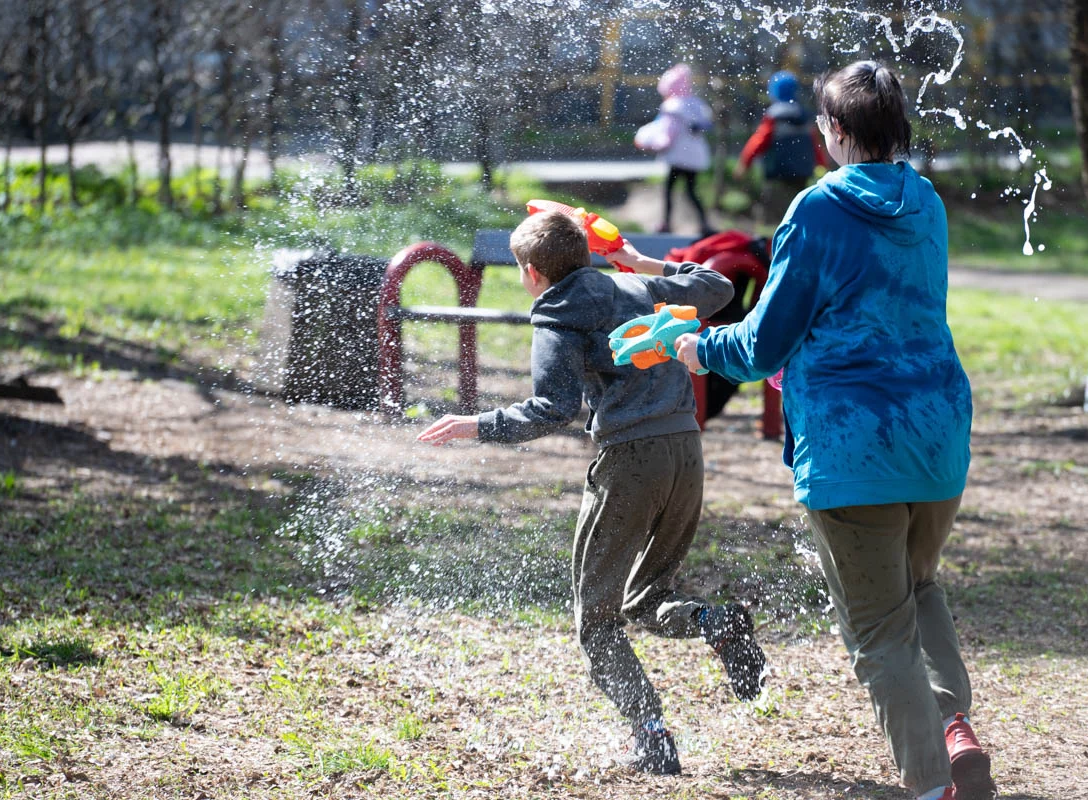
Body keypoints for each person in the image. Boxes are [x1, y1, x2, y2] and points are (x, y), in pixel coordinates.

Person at [674, 60, 997, 800]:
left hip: (857, 450)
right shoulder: (927, 201)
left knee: (880, 634)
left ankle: (931, 786)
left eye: (823, 124)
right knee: (917, 587)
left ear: (838, 132)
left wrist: (698, 348)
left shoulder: (818, 208)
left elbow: (762, 345)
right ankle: (953, 727)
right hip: (939, 436)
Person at [417, 210, 764, 776]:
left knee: (596, 622)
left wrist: (473, 424)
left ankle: (650, 734)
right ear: (585, 255)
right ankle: (714, 623)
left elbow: (551, 408)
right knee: (646, 600)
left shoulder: (558, 309)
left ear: (531, 272)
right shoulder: (635, 284)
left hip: (630, 463)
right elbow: (720, 286)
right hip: (686, 451)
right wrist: (638, 261)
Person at [734, 70, 829, 225]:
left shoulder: (774, 116)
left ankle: (773, 244)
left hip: (778, 173)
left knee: (776, 216)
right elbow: (814, 143)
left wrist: (744, 163)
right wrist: (822, 165)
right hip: (802, 173)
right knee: (798, 212)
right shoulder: (803, 115)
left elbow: (758, 142)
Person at [635, 63, 715, 235]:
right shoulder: (695, 103)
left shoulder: (672, 106)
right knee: (691, 191)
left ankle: (666, 224)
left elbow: (668, 134)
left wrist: (652, 144)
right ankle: (704, 224)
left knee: (669, 189)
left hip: (678, 156)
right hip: (695, 157)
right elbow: (706, 123)